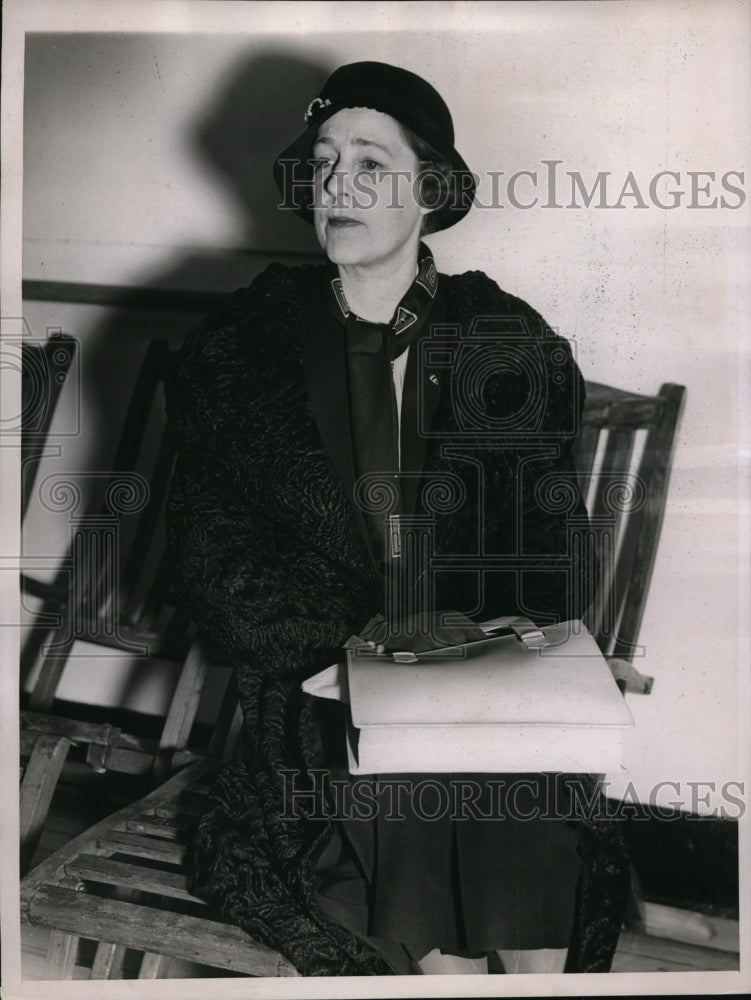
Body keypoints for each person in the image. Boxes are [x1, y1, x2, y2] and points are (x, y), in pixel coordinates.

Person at [165, 61, 630, 976]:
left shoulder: (504, 341)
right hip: (313, 696)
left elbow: (550, 555)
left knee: (491, 793)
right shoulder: (238, 352)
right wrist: (366, 653)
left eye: (370, 164)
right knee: (406, 792)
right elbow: (216, 563)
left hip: (482, 692)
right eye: (325, 162)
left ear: (433, 190)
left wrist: (460, 644)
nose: (336, 184)